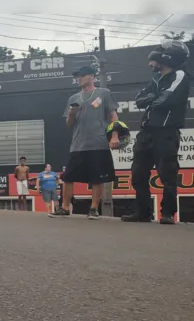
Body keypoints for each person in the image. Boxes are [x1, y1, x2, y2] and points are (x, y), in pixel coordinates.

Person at [122, 40, 190, 225]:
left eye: (154, 60)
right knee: (138, 173)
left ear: (167, 58)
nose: (151, 63)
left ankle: (167, 214)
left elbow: (166, 99)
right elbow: (138, 100)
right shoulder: (156, 80)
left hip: (166, 132)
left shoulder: (180, 75)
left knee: (167, 174)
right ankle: (143, 213)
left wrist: (152, 98)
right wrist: (153, 97)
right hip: (146, 133)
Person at [52, 66, 120, 220]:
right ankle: (64, 208)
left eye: (82, 76)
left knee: (97, 178)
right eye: (77, 76)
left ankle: (94, 208)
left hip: (99, 142)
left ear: (91, 76)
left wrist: (114, 136)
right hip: (78, 145)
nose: (79, 79)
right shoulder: (73, 98)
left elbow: (113, 116)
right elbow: (69, 124)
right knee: (68, 177)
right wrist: (71, 113)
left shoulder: (104, 93)